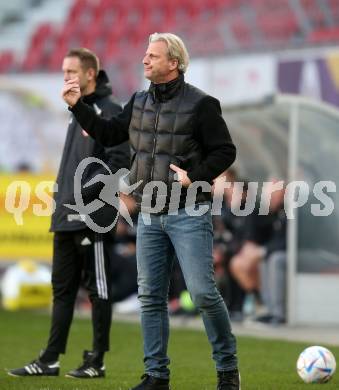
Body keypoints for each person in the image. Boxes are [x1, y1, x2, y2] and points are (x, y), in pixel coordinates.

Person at [62, 33, 240, 390]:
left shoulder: (203, 104)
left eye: (152, 56)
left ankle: (227, 370)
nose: (145, 60)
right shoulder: (138, 101)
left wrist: (196, 176)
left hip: (189, 212)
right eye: (145, 54)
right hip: (149, 213)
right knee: (151, 298)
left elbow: (225, 151)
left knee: (204, 293)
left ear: (173, 62)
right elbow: (110, 133)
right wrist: (77, 105)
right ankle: (156, 376)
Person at [9, 48, 129, 378]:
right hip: (65, 215)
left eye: (71, 71)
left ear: (90, 74)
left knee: (97, 289)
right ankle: (49, 359)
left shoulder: (110, 111)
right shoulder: (77, 111)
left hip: (92, 216)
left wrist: (84, 195)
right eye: (63, 71)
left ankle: (97, 360)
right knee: (61, 289)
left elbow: (119, 166)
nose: (65, 77)